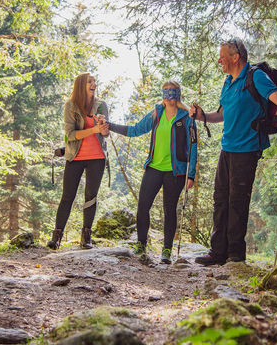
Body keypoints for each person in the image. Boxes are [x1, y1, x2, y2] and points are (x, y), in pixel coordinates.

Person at [190, 38, 277, 265]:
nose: (219, 60)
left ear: (235, 57)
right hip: (227, 148)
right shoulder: (228, 81)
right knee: (220, 199)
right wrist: (201, 115)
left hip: (247, 149)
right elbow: (222, 114)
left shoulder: (255, 76)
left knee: (237, 200)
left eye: (222, 56)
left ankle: (235, 255)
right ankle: (217, 252)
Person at [108, 80, 197, 264]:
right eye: (166, 93)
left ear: (178, 95)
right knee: (143, 206)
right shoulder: (156, 113)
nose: (169, 97)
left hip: (176, 171)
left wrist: (191, 174)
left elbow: (193, 146)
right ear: (163, 95)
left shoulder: (187, 117)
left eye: (173, 93)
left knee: (169, 209)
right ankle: (141, 243)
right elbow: (135, 130)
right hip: (154, 168)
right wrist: (110, 126)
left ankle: (166, 249)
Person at [47, 73, 109, 250]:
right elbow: (70, 134)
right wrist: (93, 129)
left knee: (91, 197)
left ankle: (86, 236)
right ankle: (57, 236)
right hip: (75, 156)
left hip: (97, 157)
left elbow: (106, 133)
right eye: (89, 82)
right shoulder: (71, 105)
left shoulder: (101, 105)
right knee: (67, 196)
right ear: (81, 85)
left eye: (94, 81)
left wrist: (103, 127)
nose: (93, 84)